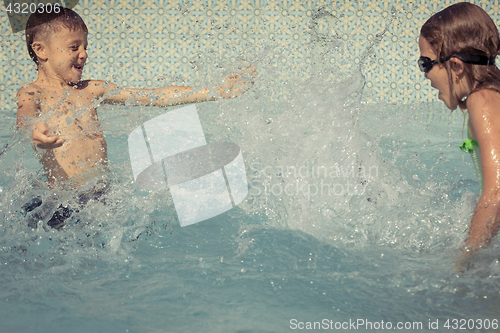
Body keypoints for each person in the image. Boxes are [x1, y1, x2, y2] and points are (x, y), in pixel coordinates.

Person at [16, 8, 255, 229]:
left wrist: (214, 91)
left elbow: (153, 96)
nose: (84, 54)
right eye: (74, 47)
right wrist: (35, 132)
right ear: (41, 50)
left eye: (86, 46)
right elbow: (25, 116)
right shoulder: (33, 93)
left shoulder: (91, 90)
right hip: (65, 204)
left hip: (102, 200)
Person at [418, 2, 500, 261]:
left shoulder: (482, 101)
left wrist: (467, 258)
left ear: (455, 66)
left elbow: (497, 192)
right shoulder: (491, 95)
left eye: (425, 63)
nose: (425, 76)